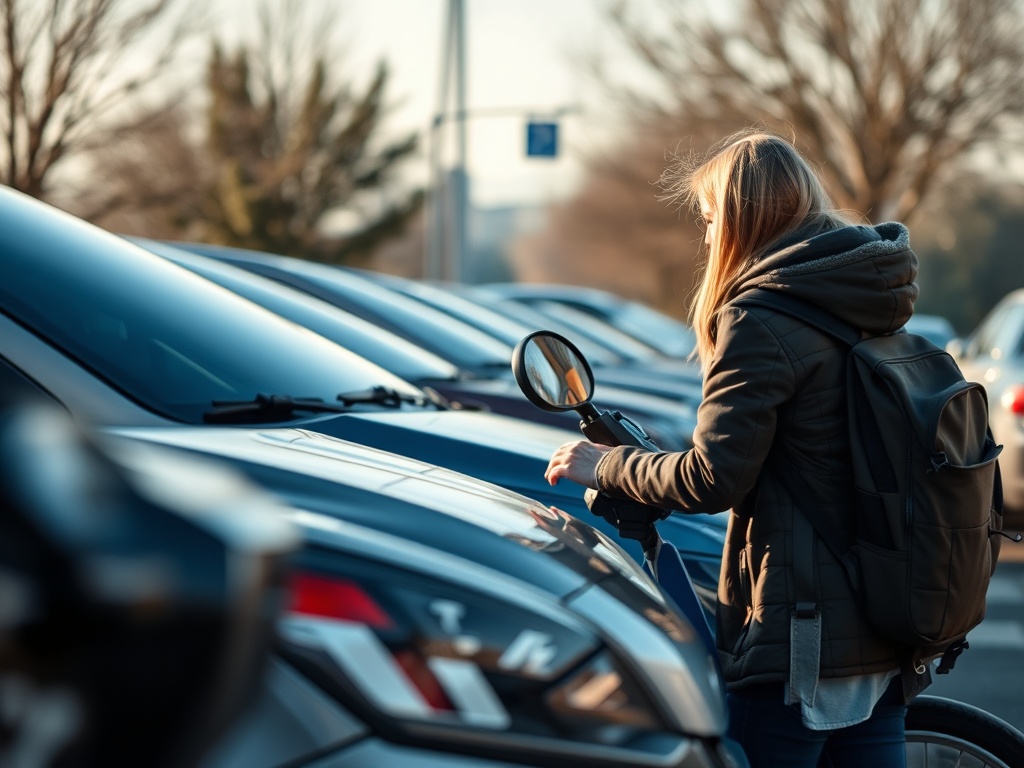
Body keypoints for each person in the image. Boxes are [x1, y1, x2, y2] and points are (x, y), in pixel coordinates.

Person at [544, 130, 925, 768]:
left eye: (712, 218)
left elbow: (710, 480)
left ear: (743, 218)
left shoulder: (760, 318)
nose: (708, 236)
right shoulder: (871, 297)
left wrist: (604, 465)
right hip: (883, 617)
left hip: (800, 631)